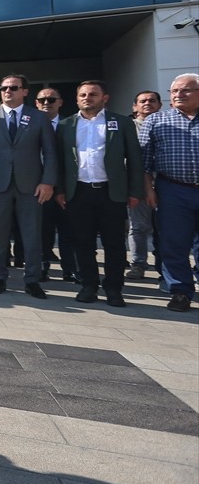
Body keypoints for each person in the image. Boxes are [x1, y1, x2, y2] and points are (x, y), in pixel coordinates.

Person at [56, 80, 143, 307]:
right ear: (76, 99)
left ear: (105, 97)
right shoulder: (66, 125)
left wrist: (135, 191)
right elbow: (59, 162)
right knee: (83, 242)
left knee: (114, 243)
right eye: (83, 94)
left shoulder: (121, 123)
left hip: (110, 192)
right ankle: (89, 285)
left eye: (93, 94)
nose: (87, 98)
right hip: (79, 192)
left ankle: (114, 288)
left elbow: (134, 159)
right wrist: (60, 190)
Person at [0, 74, 56, 299]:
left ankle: (32, 279)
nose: (7, 91)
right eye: (3, 88)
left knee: (32, 235)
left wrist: (47, 181)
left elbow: (50, 153)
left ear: (25, 91)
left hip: (31, 186)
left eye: (13, 87)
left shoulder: (39, 118)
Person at [141, 73, 199, 313]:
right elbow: (144, 160)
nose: (178, 95)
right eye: (174, 91)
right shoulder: (156, 120)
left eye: (185, 90)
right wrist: (149, 190)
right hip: (173, 189)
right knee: (173, 243)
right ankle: (179, 291)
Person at [35, 88, 75, 283]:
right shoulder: (31, 124)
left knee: (69, 231)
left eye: (51, 99)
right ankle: (43, 267)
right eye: (41, 99)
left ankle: (70, 269)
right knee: (42, 231)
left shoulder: (71, 125)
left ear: (60, 102)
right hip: (39, 187)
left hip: (67, 188)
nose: (46, 103)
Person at [128, 90, 162, 279]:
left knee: (165, 228)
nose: (147, 103)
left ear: (160, 105)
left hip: (166, 185)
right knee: (139, 227)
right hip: (138, 186)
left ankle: (163, 266)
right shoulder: (128, 127)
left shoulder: (168, 124)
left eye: (152, 100)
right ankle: (138, 264)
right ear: (135, 106)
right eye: (142, 101)